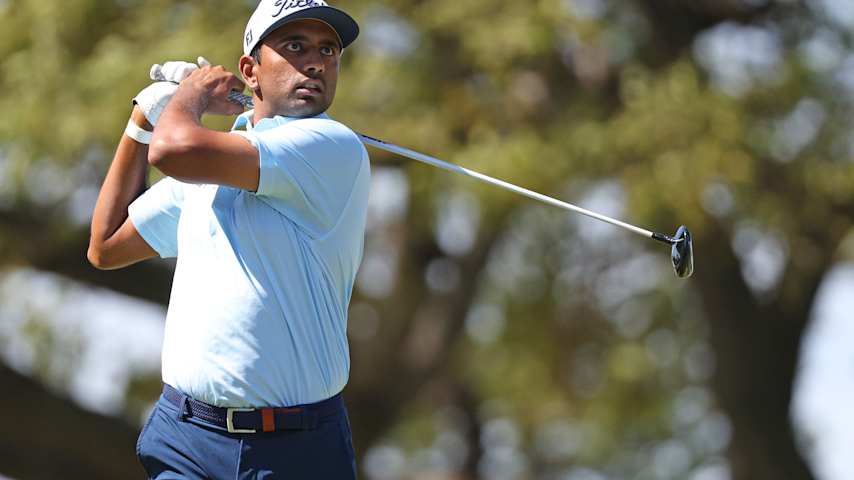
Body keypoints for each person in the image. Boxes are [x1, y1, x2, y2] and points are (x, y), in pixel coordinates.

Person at [87, 1, 368, 478]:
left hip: (297, 451)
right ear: (249, 71)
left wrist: (188, 97)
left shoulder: (331, 147)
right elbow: (106, 245)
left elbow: (174, 148)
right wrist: (143, 118)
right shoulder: (210, 170)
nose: (316, 62)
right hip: (187, 439)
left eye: (328, 51)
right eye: (294, 46)